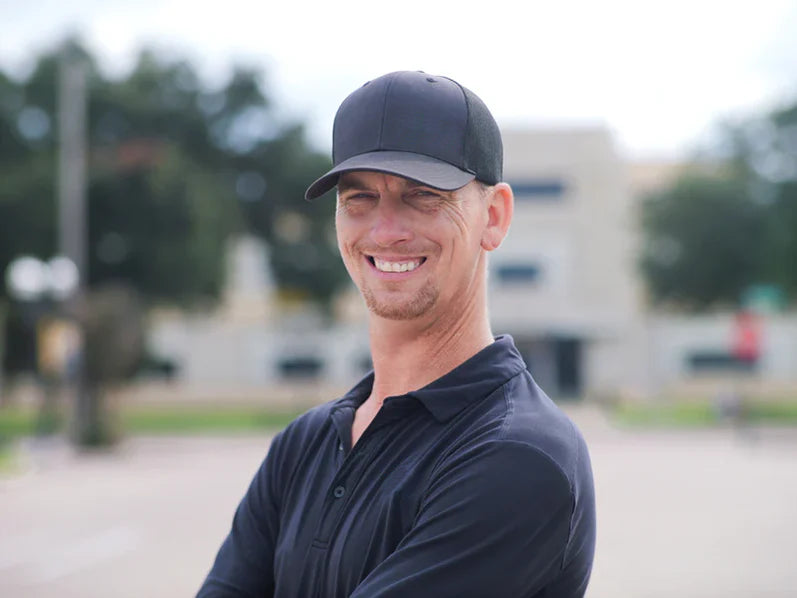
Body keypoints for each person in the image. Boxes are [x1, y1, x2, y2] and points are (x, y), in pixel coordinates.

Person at [197, 70, 596, 597]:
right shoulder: (303, 446)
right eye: (358, 198)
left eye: (423, 196)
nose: (385, 231)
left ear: (494, 217)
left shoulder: (518, 456)